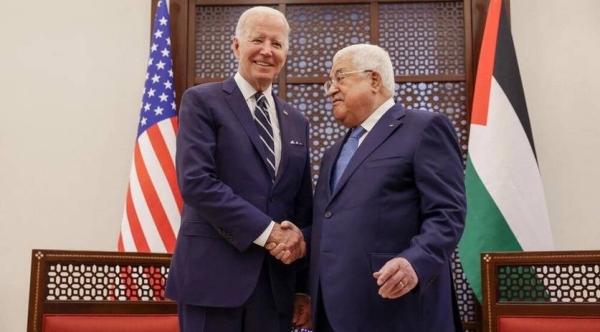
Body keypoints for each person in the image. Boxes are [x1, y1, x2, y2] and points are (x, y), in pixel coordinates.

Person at [165, 6, 313, 332]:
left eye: (276, 43)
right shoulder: (202, 101)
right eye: (257, 40)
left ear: (286, 53)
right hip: (212, 280)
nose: (267, 51)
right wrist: (269, 232)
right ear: (236, 46)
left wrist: (301, 285)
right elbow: (196, 182)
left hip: (276, 287)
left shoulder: (296, 121)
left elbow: (301, 206)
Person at [310, 44, 466, 331]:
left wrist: (415, 263)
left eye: (340, 77)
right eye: (328, 82)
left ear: (374, 79)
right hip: (330, 309)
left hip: (395, 306)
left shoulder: (425, 128)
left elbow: (448, 214)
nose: (330, 90)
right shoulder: (333, 152)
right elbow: (326, 222)